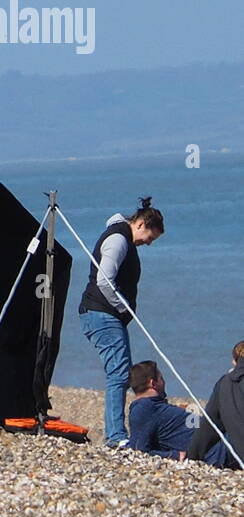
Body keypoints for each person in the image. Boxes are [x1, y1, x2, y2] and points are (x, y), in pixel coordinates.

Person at [77, 197, 164, 447]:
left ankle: (115, 433)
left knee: (119, 373)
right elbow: (104, 281)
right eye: (150, 237)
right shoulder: (117, 240)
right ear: (140, 224)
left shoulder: (123, 237)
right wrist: (122, 308)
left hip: (106, 315)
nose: (149, 243)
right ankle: (115, 436)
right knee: (118, 373)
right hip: (101, 313)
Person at [185, 341, 244, 469]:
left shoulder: (225, 384)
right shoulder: (226, 384)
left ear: (235, 361)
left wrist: (191, 457)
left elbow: (209, 426)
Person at [126, 361, 194, 459]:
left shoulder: (153, 406)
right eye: (161, 379)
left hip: (211, 433)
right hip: (214, 447)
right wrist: (175, 455)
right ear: (153, 383)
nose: (164, 382)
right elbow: (138, 450)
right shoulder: (143, 408)